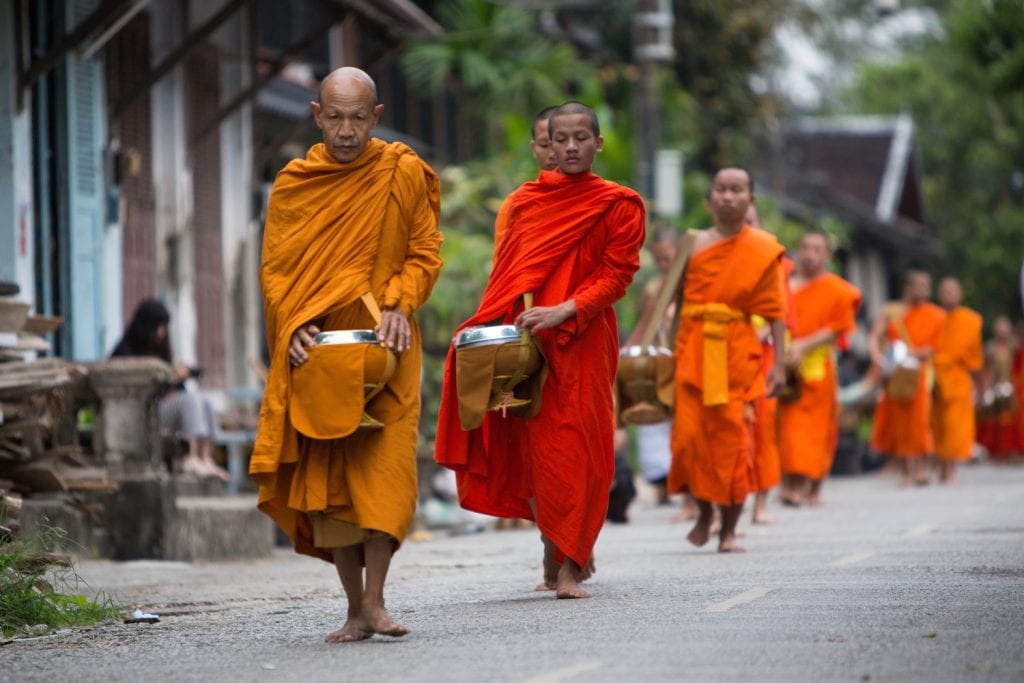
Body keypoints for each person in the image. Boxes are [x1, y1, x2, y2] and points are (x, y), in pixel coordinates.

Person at [249, 67, 443, 643]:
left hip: (390, 343)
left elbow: (424, 251)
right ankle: (354, 608)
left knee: (384, 473)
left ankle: (378, 601)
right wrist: (294, 326)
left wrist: (398, 303)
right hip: (321, 355)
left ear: (376, 117)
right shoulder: (294, 183)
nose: (346, 130)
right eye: (334, 117)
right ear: (316, 114)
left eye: (358, 118)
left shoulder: (401, 171)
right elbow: (277, 272)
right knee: (327, 482)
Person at [435, 101, 646, 599]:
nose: (571, 147)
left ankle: (571, 560)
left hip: (585, 337)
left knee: (580, 444)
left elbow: (618, 275)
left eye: (581, 138)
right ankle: (556, 552)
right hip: (529, 341)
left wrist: (566, 309)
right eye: (561, 139)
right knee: (539, 450)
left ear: (598, 144)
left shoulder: (620, 204)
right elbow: (507, 275)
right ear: (548, 145)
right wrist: (489, 330)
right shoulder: (526, 203)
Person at [667, 168, 787, 553]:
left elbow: (775, 312)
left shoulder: (763, 248)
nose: (728, 196)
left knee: (734, 445)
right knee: (688, 441)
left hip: (736, 353)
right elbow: (675, 301)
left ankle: (729, 531)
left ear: (751, 199)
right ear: (710, 198)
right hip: (693, 351)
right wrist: (664, 353)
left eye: (737, 190)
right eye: (720, 189)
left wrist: (780, 365)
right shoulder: (693, 243)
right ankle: (704, 512)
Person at [777, 231, 862, 506]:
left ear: (827, 255)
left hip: (818, 367)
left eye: (817, 249)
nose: (811, 254)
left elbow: (839, 328)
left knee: (817, 429)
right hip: (786, 366)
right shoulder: (785, 285)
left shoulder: (837, 289)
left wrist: (803, 346)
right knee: (788, 428)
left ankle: (809, 486)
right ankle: (790, 484)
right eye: (806, 248)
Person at [111, 298, 228, 481]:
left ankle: (205, 458)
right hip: (142, 410)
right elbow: (141, 386)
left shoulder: (160, 348)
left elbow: (170, 386)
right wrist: (170, 379)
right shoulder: (126, 350)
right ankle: (191, 457)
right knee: (189, 401)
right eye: (159, 326)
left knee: (203, 400)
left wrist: (179, 378)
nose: (162, 332)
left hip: (162, 405)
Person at [868, 271, 946, 486]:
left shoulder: (935, 314)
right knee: (898, 422)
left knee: (919, 421)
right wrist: (878, 357)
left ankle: (920, 468)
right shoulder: (891, 311)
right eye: (921, 285)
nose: (925, 290)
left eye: (927, 285)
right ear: (908, 287)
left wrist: (912, 352)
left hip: (919, 374)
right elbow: (875, 336)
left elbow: (935, 347)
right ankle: (905, 469)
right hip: (895, 373)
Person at [625, 227, 681, 507]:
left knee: (683, 425)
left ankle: (688, 492)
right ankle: (662, 486)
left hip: (684, 362)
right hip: (658, 365)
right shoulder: (653, 290)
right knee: (655, 422)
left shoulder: (692, 283)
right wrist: (626, 355)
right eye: (658, 259)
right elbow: (645, 325)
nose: (663, 265)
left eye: (668, 258)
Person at [743, 203, 790, 525]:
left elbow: (783, 315)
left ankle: (760, 504)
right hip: (723, 354)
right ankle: (719, 508)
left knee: (763, 431)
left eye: (750, 221)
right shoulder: (710, 255)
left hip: (763, 356)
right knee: (726, 431)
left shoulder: (774, 263)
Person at [930, 277, 983, 482]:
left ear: (961, 293)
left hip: (959, 379)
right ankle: (941, 464)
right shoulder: (933, 318)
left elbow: (975, 359)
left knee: (954, 426)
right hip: (935, 378)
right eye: (945, 291)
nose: (949, 295)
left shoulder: (972, 320)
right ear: (939, 294)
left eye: (953, 291)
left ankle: (950, 468)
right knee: (937, 425)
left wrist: (980, 386)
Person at [977, 316, 1021, 457]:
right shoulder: (989, 348)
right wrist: (985, 388)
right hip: (995, 385)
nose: (1002, 331)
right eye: (999, 328)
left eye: (1004, 328)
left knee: (1012, 418)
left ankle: (1014, 448)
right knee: (994, 418)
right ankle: (996, 449)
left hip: (1013, 385)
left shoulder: (1015, 346)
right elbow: (985, 369)